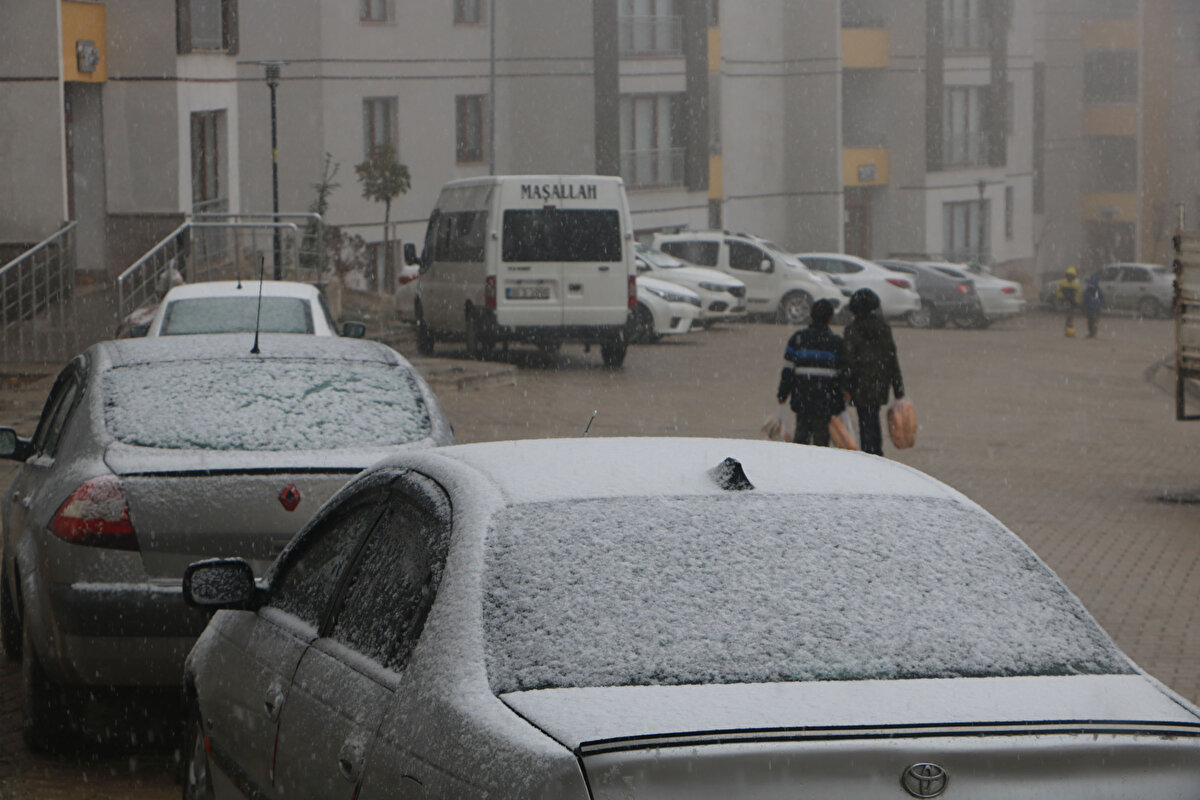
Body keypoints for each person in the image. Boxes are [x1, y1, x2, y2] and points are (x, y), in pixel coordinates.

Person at [840, 288, 905, 457]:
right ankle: (876, 453)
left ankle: (869, 456)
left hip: (859, 384)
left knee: (865, 421)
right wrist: (898, 388)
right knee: (873, 418)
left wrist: (845, 388)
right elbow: (892, 358)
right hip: (879, 383)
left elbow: (848, 361)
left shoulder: (852, 330)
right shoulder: (883, 328)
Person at [776, 299, 843, 446]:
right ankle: (818, 466)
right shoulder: (836, 343)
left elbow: (788, 370)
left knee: (801, 438)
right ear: (830, 318)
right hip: (825, 402)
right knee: (822, 442)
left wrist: (783, 393)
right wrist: (840, 402)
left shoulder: (798, 339)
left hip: (802, 398)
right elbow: (841, 376)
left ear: (811, 315)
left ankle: (800, 466)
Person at [1055, 266, 1081, 337]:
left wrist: (1076, 301)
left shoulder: (1076, 284)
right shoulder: (1062, 283)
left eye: (1071, 276)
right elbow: (1058, 291)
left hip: (1072, 302)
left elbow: (1079, 294)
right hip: (1064, 301)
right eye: (1068, 275)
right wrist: (1062, 297)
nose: (1069, 277)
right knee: (1068, 315)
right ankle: (1068, 329)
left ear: (1073, 276)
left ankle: (1069, 329)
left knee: (1070, 316)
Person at [1081, 273, 1104, 339]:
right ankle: (1091, 332)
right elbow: (1084, 299)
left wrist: (1100, 305)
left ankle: (1093, 333)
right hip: (1090, 310)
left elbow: (1102, 299)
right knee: (1090, 322)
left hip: (1096, 310)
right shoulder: (1088, 291)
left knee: (1094, 322)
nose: (1092, 287)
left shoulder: (1098, 291)